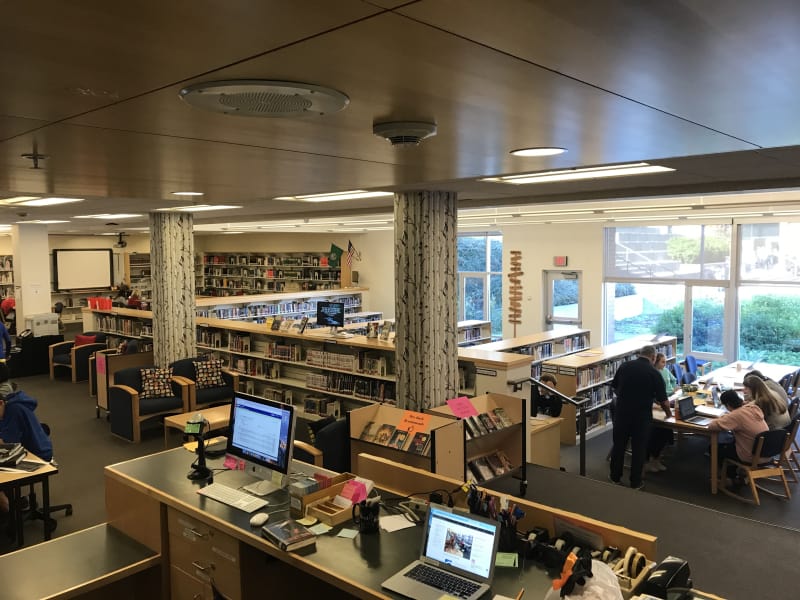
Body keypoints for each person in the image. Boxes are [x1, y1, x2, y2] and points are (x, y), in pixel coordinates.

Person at [609, 345, 670, 489]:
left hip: (622, 413)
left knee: (619, 446)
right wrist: (669, 414)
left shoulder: (624, 366)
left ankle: (615, 477)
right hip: (641, 417)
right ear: (653, 358)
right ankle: (635, 482)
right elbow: (664, 401)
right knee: (639, 449)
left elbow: (615, 387)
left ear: (640, 354)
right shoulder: (654, 373)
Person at [0, 363, 53, 513]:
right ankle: (10, 500)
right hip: (31, 447)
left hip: (36, 456)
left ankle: (9, 506)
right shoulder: (10, 405)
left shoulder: (12, 411)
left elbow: (8, 444)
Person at [709, 389, 768, 488]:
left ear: (727, 405)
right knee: (731, 443)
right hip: (767, 452)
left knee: (714, 448)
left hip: (751, 456)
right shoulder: (752, 408)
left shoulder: (736, 415)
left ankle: (730, 478)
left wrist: (723, 417)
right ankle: (735, 474)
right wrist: (728, 417)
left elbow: (712, 426)